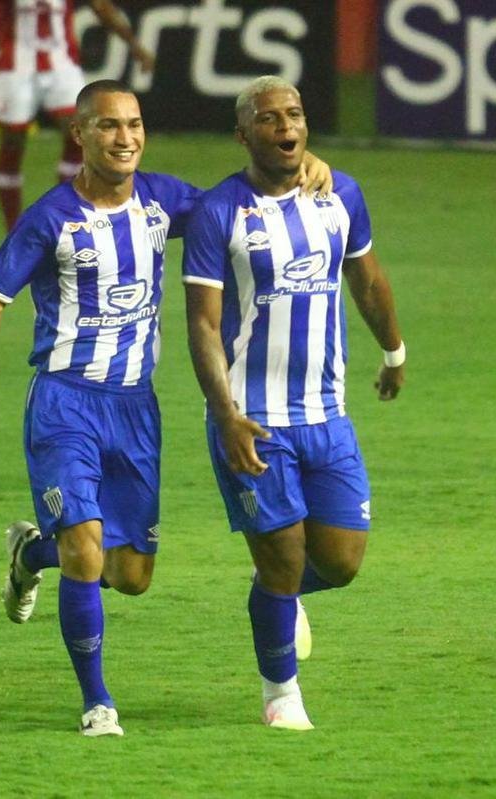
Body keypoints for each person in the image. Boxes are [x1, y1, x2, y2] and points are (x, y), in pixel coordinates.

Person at [0, 79, 332, 737]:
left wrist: (304, 168)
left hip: (136, 409)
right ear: (80, 135)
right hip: (65, 402)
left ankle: (30, 554)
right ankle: (97, 702)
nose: (126, 137)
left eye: (134, 124)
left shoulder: (161, 201)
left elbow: (237, 200)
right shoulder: (53, 217)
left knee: (129, 574)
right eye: (109, 126)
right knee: (86, 544)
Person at [182, 75, 405, 731]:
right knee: (281, 558)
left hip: (327, 415)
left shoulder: (340, 195)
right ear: (244, 134)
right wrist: (224, 414)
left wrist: (393, 350)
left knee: (340, 561)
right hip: (254, 418)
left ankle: (273, 597)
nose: (286, 126)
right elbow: (202, 323)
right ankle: (282, 693)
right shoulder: (220, 212)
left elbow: (365, 277)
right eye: (270, 117)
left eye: (295, 114)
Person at [0, 0, 156, 231]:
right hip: (13, 65)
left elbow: (101, 7)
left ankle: (68, 217)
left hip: (61, 65)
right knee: (12, 143)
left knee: (80, 136)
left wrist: (134, 46)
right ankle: (13, 229)